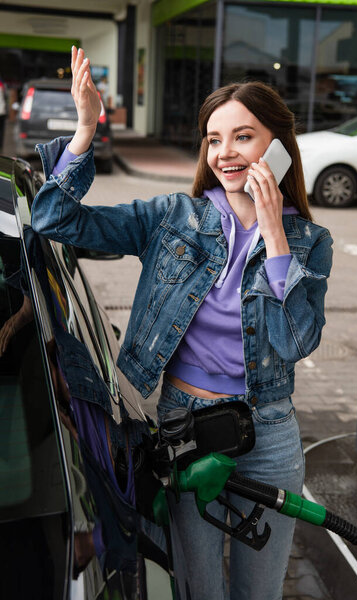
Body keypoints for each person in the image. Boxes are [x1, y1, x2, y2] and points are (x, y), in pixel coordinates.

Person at [32, 46, 333, 600]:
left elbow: (293, 343)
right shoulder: (175, 217)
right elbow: (54, 218)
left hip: (267, 435)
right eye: (214, 139)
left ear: (279, 147)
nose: (225, 153)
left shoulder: (310, 243)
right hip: (183, 427)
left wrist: (274, 238)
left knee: (257, 592)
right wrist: (85, 129)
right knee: (198, 588)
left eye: (243, 136)